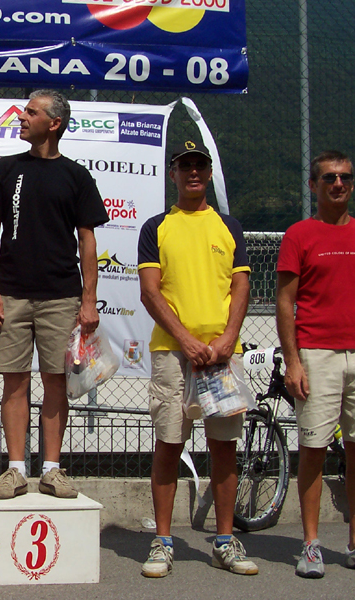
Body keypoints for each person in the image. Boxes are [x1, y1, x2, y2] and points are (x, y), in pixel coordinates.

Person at [0, 90, 108, 499]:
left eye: (31, 112)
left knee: (55, 382)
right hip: (11, 294)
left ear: (54, 123)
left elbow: (87, 240)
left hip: (61, 296)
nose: (22, 117)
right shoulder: (4, 169)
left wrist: (88, 300)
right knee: (14, 384)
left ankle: (51, 470)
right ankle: (15, 470)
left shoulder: (76, 176)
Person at [137, 140, 258, 577]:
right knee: (169, 444)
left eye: (199, 166)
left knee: (224, 447)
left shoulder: (229, 226)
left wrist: (229, 338)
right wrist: (186, 340)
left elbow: (241, 287)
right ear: (173, 173)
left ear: (208, 173)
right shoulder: (156, 227)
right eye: (184, 165)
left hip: (224, 357)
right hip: (173, 353)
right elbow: (150, 292)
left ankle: (224, 542)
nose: (192, 172)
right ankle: (163, 542)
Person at [276, 150, 355, 578]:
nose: (338, 184)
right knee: (313, 451)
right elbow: (285, 302)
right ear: (313, 185)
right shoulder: (299, 235)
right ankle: (310, 545)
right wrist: (293, 362)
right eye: (329, 178)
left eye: (345, 177)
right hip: (316, 355)